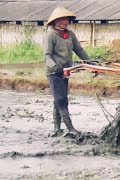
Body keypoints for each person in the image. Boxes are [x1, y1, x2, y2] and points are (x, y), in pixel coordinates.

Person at [43, 7, 96, 136]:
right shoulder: (50, 35)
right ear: (55, 22)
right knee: (61, 100)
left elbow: (79, 50)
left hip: (66, 71)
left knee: (59, 100)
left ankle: (57, 129)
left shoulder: (70, 34)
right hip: (55, 72)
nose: (65, 22)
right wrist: (56, 67)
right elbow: (47, 56)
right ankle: (71, 129)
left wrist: (90, 62)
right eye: (62, 20)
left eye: (66, 20)